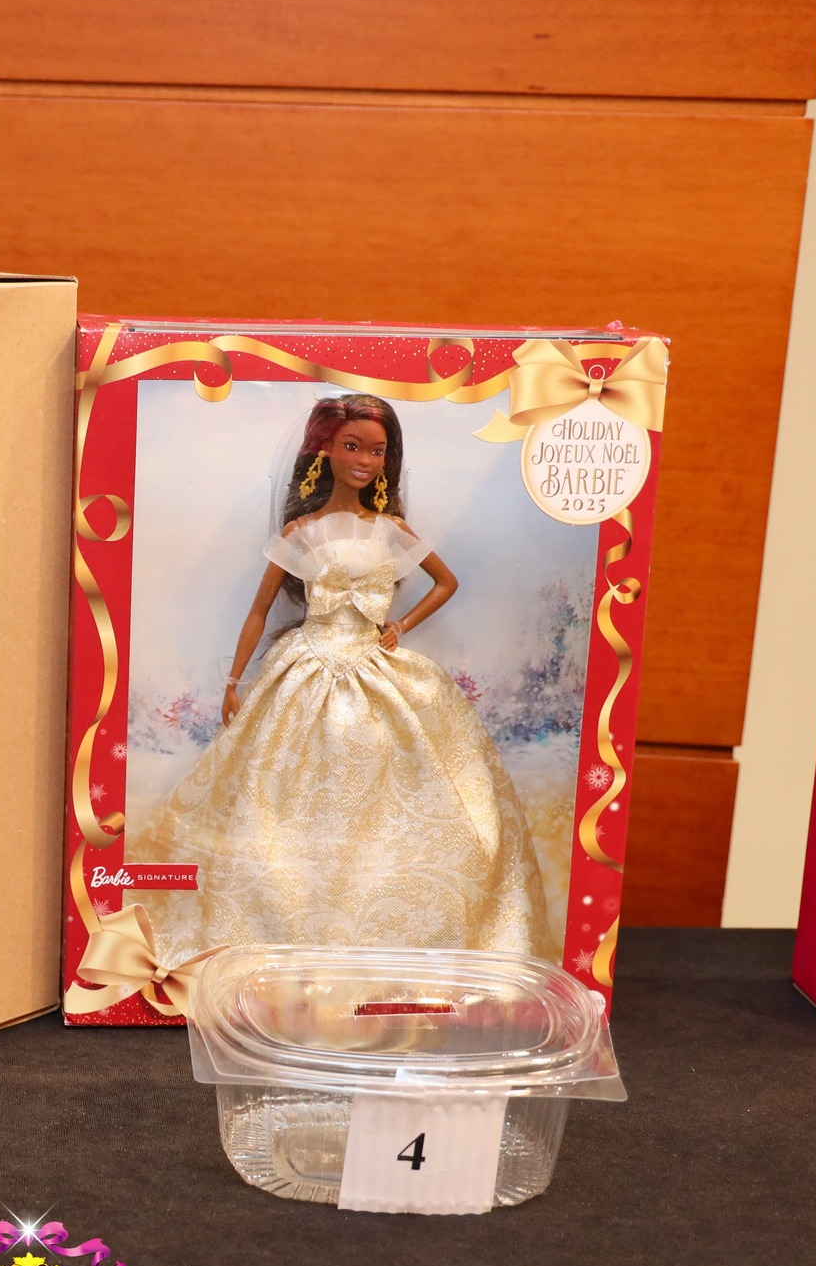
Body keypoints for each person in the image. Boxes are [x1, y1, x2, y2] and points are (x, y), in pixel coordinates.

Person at [126, 393, 552, 964]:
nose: (366, 461)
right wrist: (233, 680)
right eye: (353, 447)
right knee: (278, 793)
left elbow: (446, 583)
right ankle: (278, 915)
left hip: (375, 667)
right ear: (325, 449)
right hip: (307, 667)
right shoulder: (302, 532)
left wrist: (400, 625)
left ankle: (387, 916)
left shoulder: (391, 530)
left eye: (377, 452)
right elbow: (260, 610)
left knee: (393, 795)